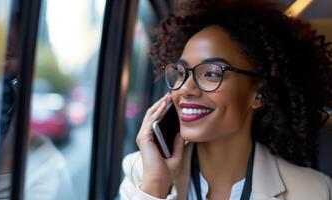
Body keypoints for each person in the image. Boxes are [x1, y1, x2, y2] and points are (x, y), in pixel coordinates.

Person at [119, 0, 332, 199]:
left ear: (258, 93)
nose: (185, 88)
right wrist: (155, 186)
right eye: (181, 73)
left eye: (211, 73)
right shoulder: (140, 172)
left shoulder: (314, 191)